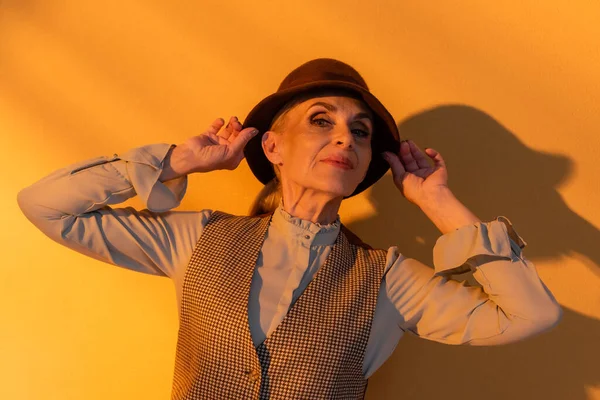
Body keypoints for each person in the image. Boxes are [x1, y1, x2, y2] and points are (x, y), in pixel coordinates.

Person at [17, 58, 562, 399]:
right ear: (272, 147)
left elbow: (530, 315)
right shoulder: (198, 239)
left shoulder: (389, 281)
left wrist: (439, 203)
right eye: (321, 120)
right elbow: (45, 205)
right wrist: (176, 163)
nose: (345, 139)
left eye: (361, 132)